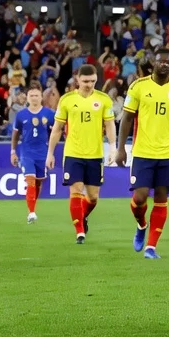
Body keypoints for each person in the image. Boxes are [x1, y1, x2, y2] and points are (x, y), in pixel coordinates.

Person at [117, 49, 169, 259]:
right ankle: (142, 225)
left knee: (161, 197)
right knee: (140, 197)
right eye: (161, 61)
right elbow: (127, 118)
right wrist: (121, 147)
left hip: (168, 153)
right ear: (153, 63)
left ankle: (151, 247)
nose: (165, 65)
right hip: (142, 152)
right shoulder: (139, 86)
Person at [46, 66, 116, 243]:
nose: (89, 84)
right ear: (77, 80)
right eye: (86, 81)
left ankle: (82, 216)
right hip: (73, 153)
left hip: (95, 154)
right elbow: (56, 130)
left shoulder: (103, 99)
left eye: (93, 81)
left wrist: (113, 147)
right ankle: (80, 232)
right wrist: (50, 153)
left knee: (93, 197)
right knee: (76, 190)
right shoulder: (67, 100)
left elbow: (109, 125)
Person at [11, 84, 54, 224]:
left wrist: (51, 153)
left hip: (43, 153)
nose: (34, 98)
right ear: (27, 98)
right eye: (31, 96)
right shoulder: (21, 115)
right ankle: (31, 213)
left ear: (41, 97)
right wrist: (13, 152)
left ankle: (33, 208)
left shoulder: (49, 114)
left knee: (38, 182)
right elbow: (15, 135)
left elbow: (55, 133)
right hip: (26, 153)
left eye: (36, 95)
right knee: (30, 181)